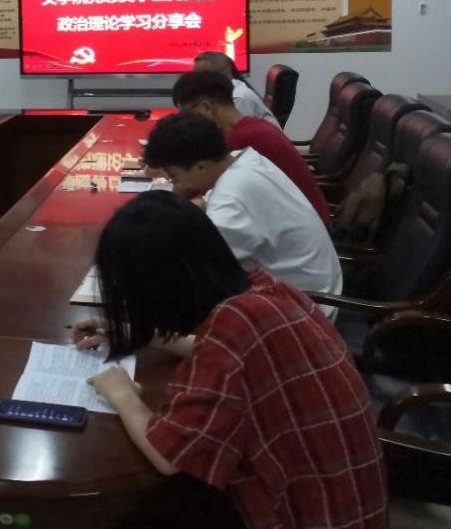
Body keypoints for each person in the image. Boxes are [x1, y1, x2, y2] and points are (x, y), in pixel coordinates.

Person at [74, 192, 387, 529]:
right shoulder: (264, 292)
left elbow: (169, 458)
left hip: (304, 514)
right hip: (345, 502)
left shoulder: (233, 329)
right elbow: (220, 351)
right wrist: (135, 332)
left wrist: (121, 393)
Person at [143, 112, 341, 297]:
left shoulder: (231, 200)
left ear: (201, 167)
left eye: (173, 176)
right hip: (314, 282)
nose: (174, 182)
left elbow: (202, 266)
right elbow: (207, 204)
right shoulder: (243, 160)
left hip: (307, 303)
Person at [171, 71, 331, 223]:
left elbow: (190, 189)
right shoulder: (254, 125)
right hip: (302, 220)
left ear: (206, 108)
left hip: (302, 227)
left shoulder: (239, 139)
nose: (187, 122)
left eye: (187, 114)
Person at [193, 50, 278, 126]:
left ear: (217, 77)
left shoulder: (238, 98)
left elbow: (237, 130)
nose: (194, 79)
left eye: (199, 75)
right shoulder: (225, 89)